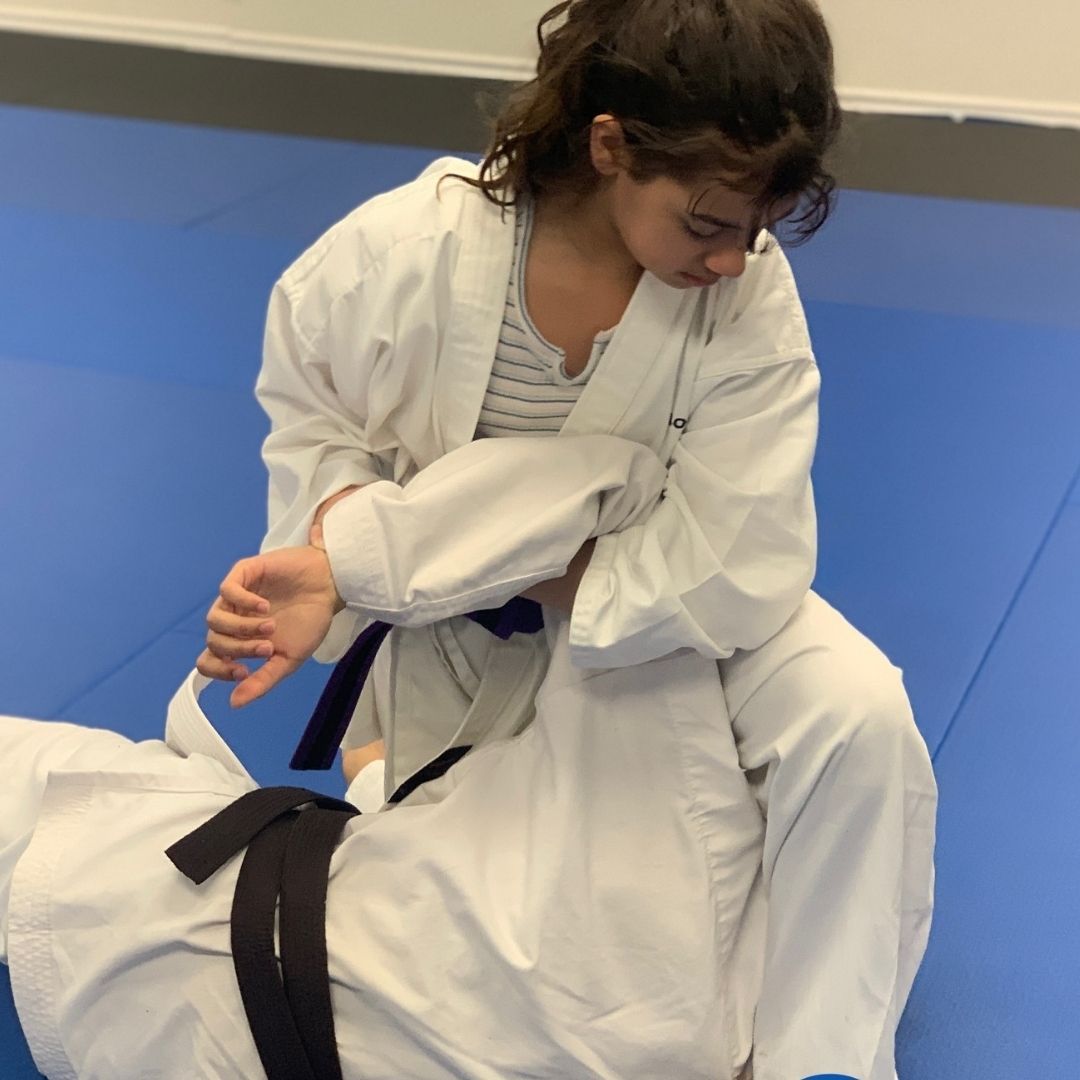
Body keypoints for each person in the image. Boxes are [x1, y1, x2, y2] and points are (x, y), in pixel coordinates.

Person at [1, 2, 937, 1078]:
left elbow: (736, 559)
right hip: (447, 630)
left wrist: (460, 556)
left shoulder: (746, 300)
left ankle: (825, 1055)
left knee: (858, 711)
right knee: (503, 950)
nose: (731, 260)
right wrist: (337, 564)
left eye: (756, 229)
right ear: (611, 145)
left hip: (668, 621)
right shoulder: (408, 252)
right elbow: (316, 419)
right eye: (705, 223)